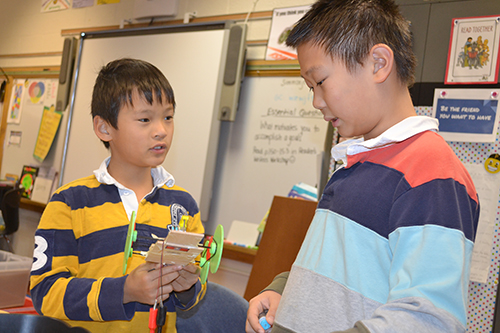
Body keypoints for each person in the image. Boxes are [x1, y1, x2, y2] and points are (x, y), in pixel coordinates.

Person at [246, 1, 480, 332]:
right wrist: (284, 288)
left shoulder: (433, 175)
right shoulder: (355, 162)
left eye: (320, 82)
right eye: (309, 88)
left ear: (378, 63)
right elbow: (340, 267)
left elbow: (428, 318)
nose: (315, 101)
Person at [30, 58, 206, 332]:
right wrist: (123, 291)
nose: (161, 130)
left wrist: (188, 288)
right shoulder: (70, 203)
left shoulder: (183, 206)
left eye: (168, 117)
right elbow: (45, 293)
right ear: (104, 128)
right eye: (145, 119)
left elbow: (196, 292)